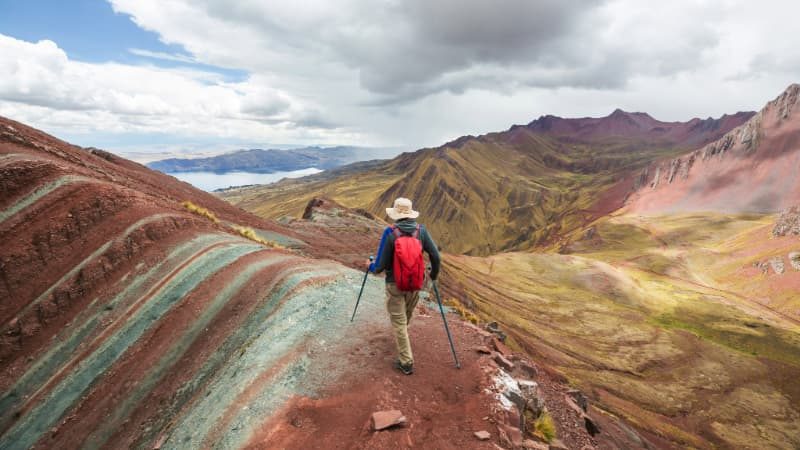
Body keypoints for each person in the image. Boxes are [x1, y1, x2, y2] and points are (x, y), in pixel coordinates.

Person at [369, 197, 441, 375]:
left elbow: (379, 266)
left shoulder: (390, 233)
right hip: (416, 283)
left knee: (399, 323)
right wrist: (433, 275)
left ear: (396, 214)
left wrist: (369, 265)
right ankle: (403, 339)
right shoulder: (421, 231)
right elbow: (436, 256)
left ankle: (406, 362)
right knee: (405, 317)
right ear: (410, 214)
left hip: (395, 284)